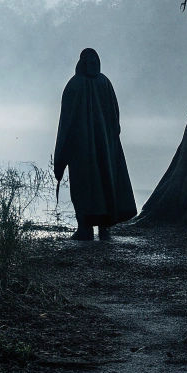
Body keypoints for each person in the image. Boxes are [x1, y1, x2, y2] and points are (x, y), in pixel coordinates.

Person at [53, 47, 137, 240]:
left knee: (84, 186)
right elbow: (115, 119)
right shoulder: (105, 83)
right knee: (106, 182)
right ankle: (105, 228)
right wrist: (110, 141)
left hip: (81, 151)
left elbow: (65, 124)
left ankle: (85, 229)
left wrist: (60, 158)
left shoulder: (74, 85)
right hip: (106, 148)